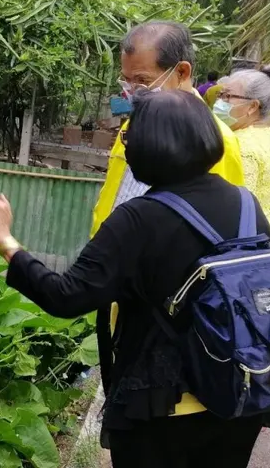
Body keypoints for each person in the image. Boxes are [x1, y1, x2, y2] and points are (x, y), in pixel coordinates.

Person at [0, 90, 270, 468]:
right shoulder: (246, 203)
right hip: (237, 394)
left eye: (128, 136)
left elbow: (66, 296)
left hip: (163, 409)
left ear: (147, 147)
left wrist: (6, 241)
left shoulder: (138, 219)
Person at [93, 21, 244, 402]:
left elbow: (220, 240)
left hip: (172, 315)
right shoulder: (136, 124)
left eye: (142, 81)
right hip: (128, 299)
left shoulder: (214, 139)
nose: (132, 91)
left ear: (182, 72)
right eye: (127, 80)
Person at [213, 67, 270, 225]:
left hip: (251, 232)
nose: (219, 102)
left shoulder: (238, 144)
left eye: (227, 96)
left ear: (252, 106)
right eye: (220, 95)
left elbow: (237, 207)